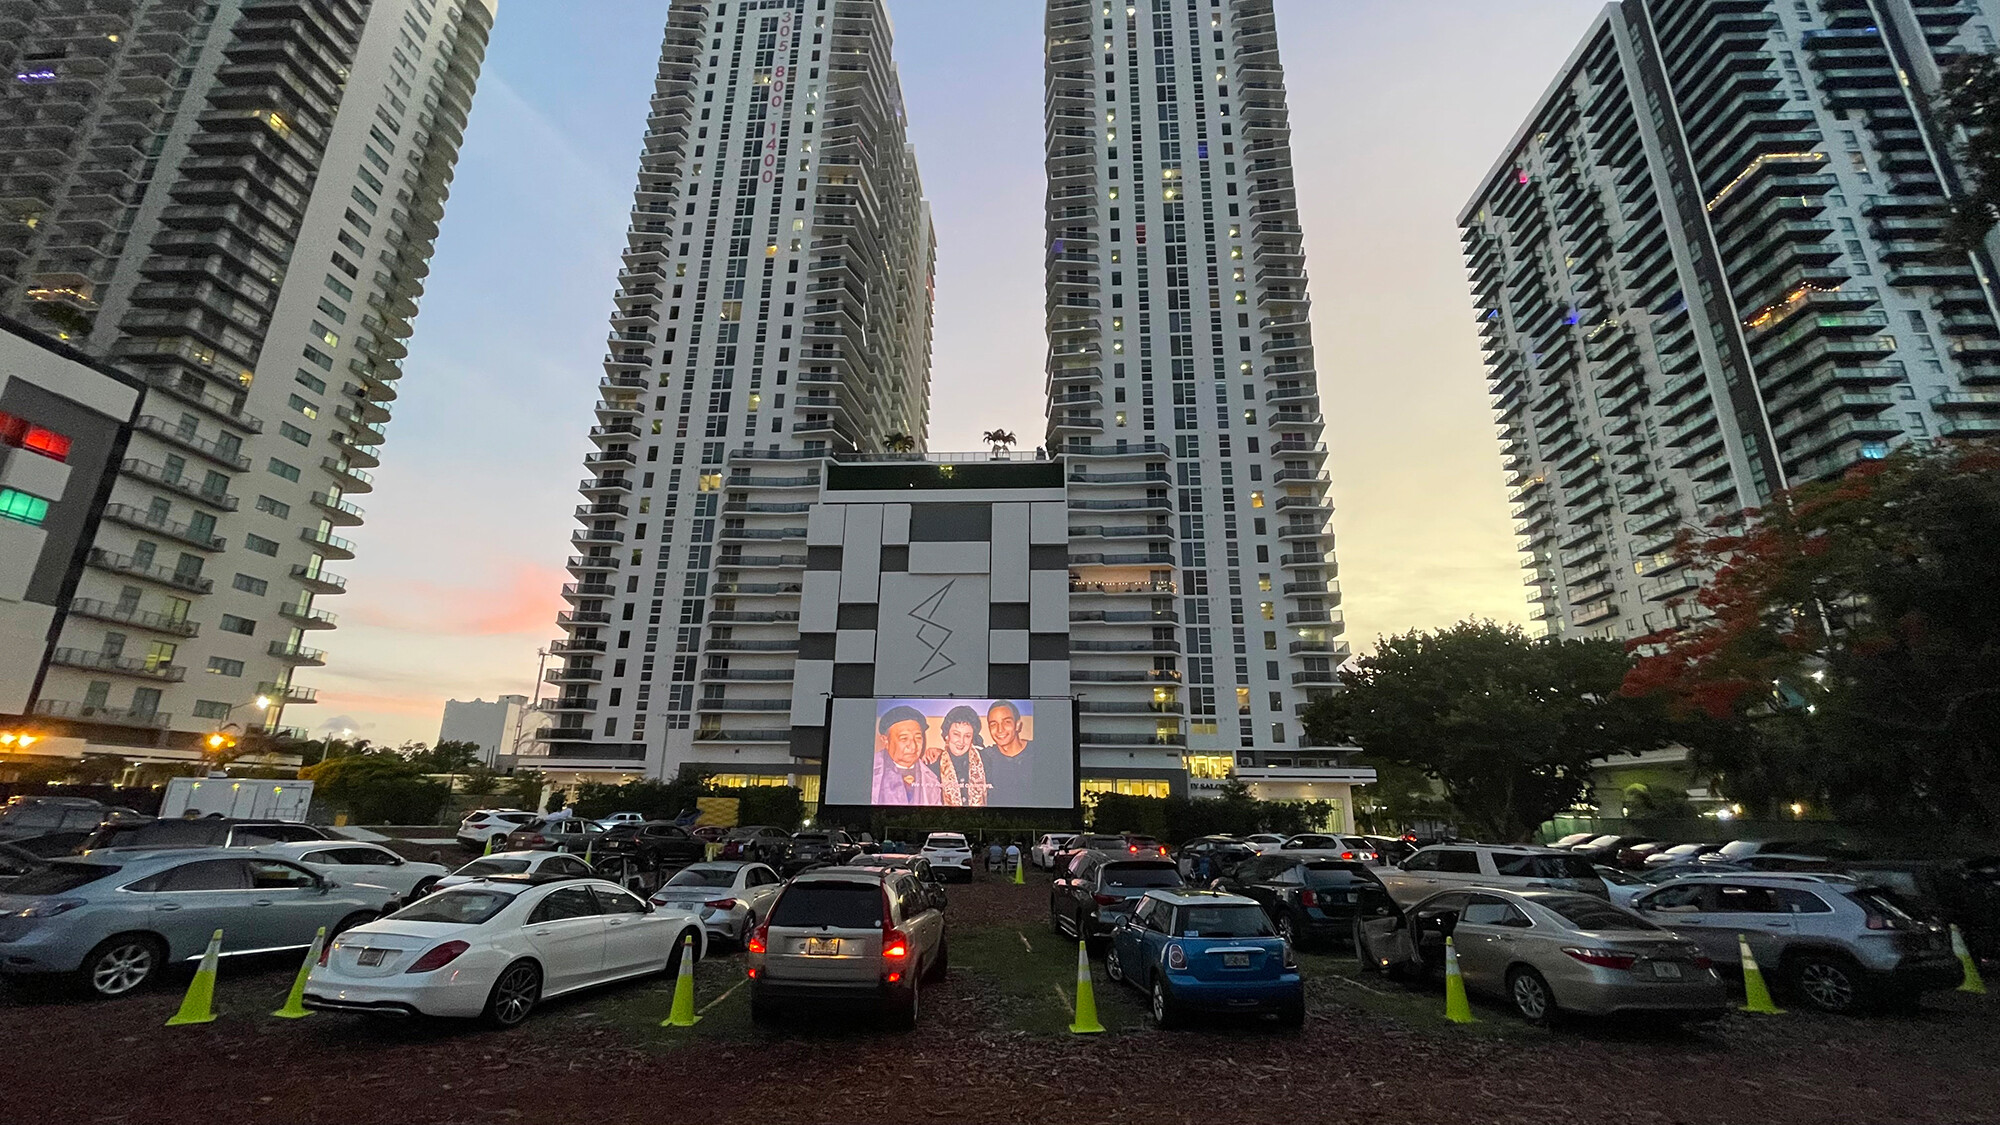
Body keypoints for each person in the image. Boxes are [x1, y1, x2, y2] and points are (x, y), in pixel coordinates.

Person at [872, 705, 943, 806]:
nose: (913, 746)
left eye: (918, 738)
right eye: (904, 739)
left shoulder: (932, 775)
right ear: (885, 740)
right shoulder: (868, 769)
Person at [979, 700, 1033, 804]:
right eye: (993, 724)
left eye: (1006, 722)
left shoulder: (1038, 751)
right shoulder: (985, 757)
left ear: (1017, 725)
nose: (1000, 730)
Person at [935, 704, 990, 807]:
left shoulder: (986, 760)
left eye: (967, 736)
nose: (961, 741)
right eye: (956, 734)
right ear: (947, 734)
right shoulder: (933, 764)